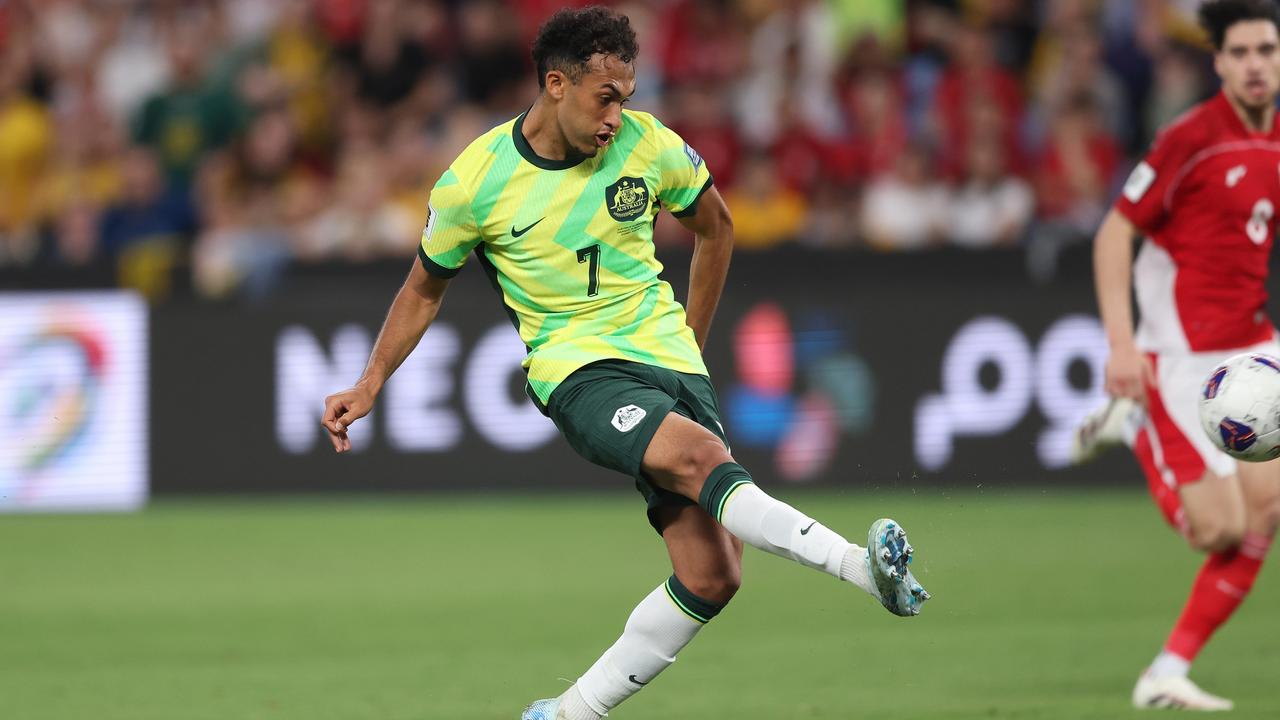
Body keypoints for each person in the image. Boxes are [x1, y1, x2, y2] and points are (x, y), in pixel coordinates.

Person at [319, 7, 929, 720]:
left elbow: (716, 228)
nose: (617, 116)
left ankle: (569, 713)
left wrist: (691, 342)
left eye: (626, 99)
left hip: (668, 361)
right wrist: (370, 382)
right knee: (702, 460)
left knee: (711, 575)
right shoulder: (475, 181)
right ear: (556, 84)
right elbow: (423, 288)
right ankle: (863, 568)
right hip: (579, 371)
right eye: (604, 98)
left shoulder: (649, 146)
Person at [1081, 0, 1280, 710]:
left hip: (1255, 346)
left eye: (1268, 50)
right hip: (1182, 358)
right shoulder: (1189, 138)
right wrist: (1122, 345)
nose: (1257, 65)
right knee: (1218, 530)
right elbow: (1113, 236)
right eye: (1243, 53)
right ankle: (1135, 424)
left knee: (1269, 509)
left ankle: (1166, 669)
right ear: (1219, 63)